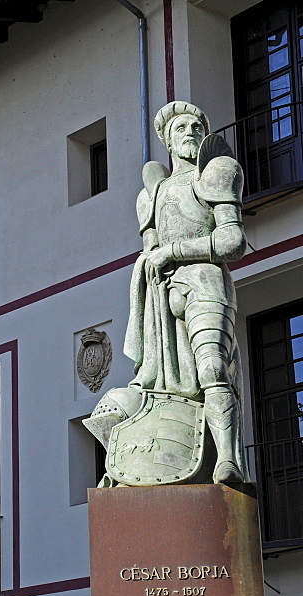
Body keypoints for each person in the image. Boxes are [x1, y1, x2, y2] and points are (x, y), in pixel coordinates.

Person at [123, 101, 247, 483]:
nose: (191, 133)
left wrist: (173, 252)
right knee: (154, 385)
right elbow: (150, 248)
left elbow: (231, 240)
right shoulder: (151, 193)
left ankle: (227, 461)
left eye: (197, 127)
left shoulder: (215, 173)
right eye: (181, 129)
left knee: (212, 369)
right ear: (167, 141)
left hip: (205, 281)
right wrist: (154, 261)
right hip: (161, 295)